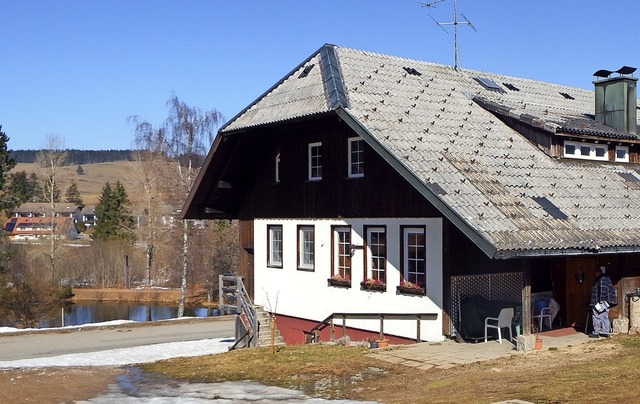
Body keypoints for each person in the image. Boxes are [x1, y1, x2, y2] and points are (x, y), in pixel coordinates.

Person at [589, 266, 614, 338]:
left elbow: (602, 289)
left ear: (598, 273)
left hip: (601, 301)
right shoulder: (607, 279)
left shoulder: (601, 279)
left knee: (596, 316)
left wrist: (601, 300)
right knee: (604, 316)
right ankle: (606, 332)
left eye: (595, 273)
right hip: (606, 301)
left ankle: (596, 332)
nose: (594, 274)